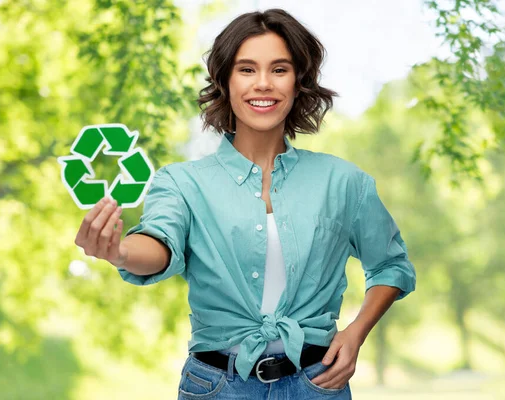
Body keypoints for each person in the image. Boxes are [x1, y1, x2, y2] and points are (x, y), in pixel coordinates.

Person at [74, 8, 416, 399]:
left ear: (299, 81)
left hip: (318, 384)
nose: (264, 84)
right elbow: (159, 245)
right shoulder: (181, 182)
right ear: (225, 81)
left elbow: (391, 264)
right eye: (247, 69)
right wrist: (118, 250)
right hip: (217, 387)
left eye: (280, 69)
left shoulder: (342, 182)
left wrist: (356, 333)